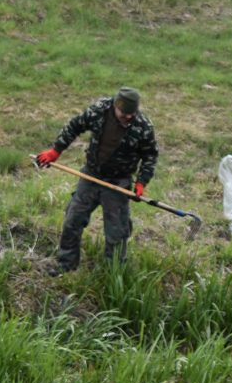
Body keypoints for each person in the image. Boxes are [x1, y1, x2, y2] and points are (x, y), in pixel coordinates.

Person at [34, 87, 159, 275]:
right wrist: (56, 150)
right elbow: (75, 125)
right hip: (91, 175)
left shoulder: (143, 126)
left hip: (118, 183)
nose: (127, 117)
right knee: (72, 220)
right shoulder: (99, 110)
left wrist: (141, 182)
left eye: (131, 114)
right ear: (115, 106)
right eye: (124, 113)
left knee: (117, 232)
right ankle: (66, 265)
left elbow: (150, 155)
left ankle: (113, 272)